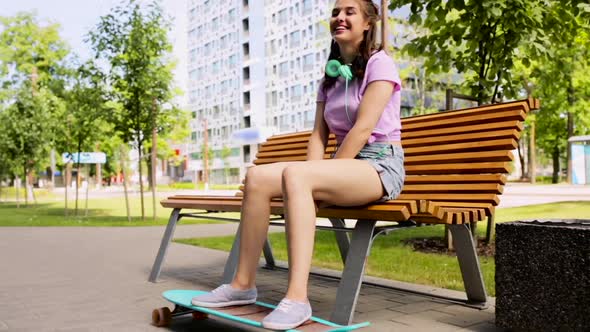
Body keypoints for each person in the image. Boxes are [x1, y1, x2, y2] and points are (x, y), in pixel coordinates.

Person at [191, 0, 404, 329]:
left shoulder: (380, 63)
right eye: (335, 12)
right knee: (258, 176)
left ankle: (297, 299)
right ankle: (242, 285)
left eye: (349, 11)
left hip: (378, 166)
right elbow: (318, 137)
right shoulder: (329, 80)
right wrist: (307, 178)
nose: (340, 17)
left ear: (367, 23)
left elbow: (363, 129)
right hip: (346, 169)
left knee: (298, 176)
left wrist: (315, 179)